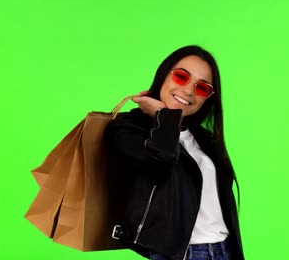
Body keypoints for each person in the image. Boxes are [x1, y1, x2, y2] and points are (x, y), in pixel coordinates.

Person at [104, 45, 244, 260]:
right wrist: (164, 115)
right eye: (181, 76)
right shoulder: (128, 128)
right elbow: (161, 157)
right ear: (164, 74)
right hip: (183, 255)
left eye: (202, 88)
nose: (188, 90)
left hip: (224, 250)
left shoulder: (203, 138)